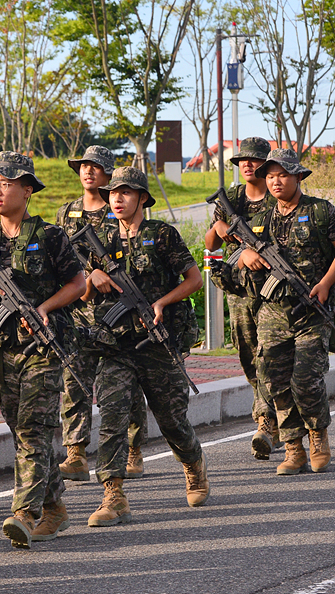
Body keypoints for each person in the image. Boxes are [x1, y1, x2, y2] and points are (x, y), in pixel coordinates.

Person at [0, 151, 85, 549]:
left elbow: (77, 284)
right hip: (1, 347)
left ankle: (25, 511)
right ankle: (55, 506)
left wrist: (43, 308)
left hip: (44, 345)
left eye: (5, 184)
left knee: (32, 427)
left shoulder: (49, 236)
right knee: (21, 428)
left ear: (26, 190)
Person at [84, 166, 207, 527]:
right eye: (113, 193)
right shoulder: (100, 237)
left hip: (157, 341)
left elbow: (194, 279)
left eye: (125, 192)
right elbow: (82, 288)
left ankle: (193, 464)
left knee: (171, 419)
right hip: (114, 345)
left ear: (141, 198)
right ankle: (113, 495)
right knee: (112, 419)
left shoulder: (161, 234)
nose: (117, 198)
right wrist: (93, 276)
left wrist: (162, 303)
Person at [238, 148, 334, 476]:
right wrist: (243, 256)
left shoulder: (321, 212)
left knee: (306, 379)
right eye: (270, 176)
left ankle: (318, 436)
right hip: (273, 311)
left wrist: (324, 284)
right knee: (274, 380)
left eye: (282, 175)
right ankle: (294, 448)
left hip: (312, 309)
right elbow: (234, 246)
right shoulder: (262, 216)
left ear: (298, 177)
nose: (276, 181)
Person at [56, 145, 148, 480]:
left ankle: (133, 450)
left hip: (117, 312)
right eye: (83, 166)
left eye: (96, 167)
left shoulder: (120, 210)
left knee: (126, 386)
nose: (88, 171)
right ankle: (76, 453)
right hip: (78, 313)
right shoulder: (67, 212)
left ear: (108, 175)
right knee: (75, 382)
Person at [204, 136, 278, 460]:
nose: (246, 164)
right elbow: (212, 246)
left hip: (273, 291)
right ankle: (268, 415)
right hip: (239, 291)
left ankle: (267, 422)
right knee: (249, 356)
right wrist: (219, 226)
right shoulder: (231, 199)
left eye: (253, 159)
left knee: (270, 356)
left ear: (266, 164)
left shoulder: (277, 199)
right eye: (241, 160)